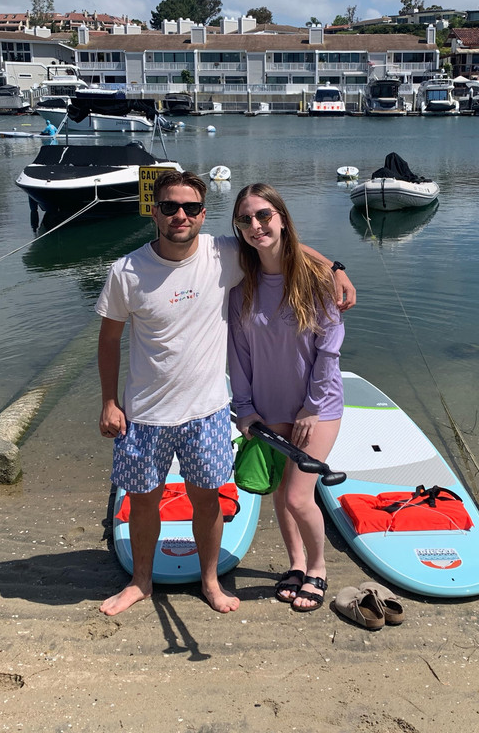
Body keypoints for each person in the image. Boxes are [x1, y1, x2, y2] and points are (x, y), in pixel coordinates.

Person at [96, 170, 354, 615]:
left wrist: (335, 267)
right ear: (153, 211)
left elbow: (282, 243)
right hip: (145, 413)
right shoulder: (128, 270)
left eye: (192, 208)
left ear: (203, 214)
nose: (181, 215)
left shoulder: (223, 252)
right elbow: (108, 339)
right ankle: (140, 582)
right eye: (171, 207)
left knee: (209, 501)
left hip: (208, 412)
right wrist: (108, 401)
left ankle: (213, 581)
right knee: (143, 505)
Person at [227, 183, 344, 612]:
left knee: (299, 496)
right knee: (279, 493)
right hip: (266, 406)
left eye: (263, 216)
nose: (256, 225)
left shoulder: (316, 278)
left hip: (319, 406)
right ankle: (295, 564)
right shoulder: (241, 286)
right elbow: (237, 355)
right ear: (237, 228)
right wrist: (244, 408)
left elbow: (329, 349)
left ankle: (318, 569)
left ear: (281, 218)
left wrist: (312, 406)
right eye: (245, 219)